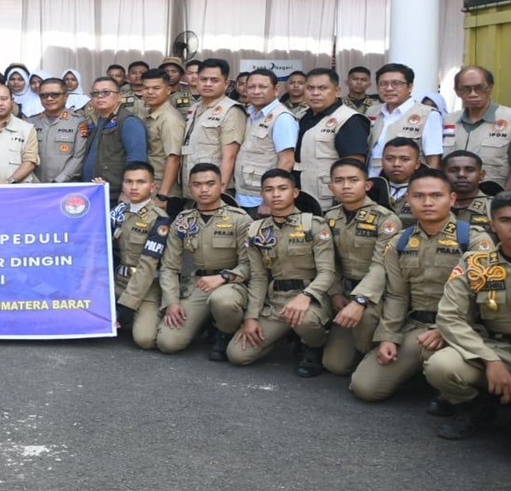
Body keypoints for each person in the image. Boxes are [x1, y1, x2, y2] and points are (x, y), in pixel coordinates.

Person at [343, 170, 491, 405]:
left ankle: (473, 403)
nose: (428, 202)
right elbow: (397, 295)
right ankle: (420, 374)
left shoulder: (472, 240)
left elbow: (483, 296)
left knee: (445, 368)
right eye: (419, 196)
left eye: (436, 195)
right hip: (417, 327)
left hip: (462, 328)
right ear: (408, 200)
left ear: (451, 199)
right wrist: (389, 337)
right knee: (364, 388)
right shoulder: (399, 242)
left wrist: (446, 328)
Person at [425, 190, 511, 462]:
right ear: (492, 225)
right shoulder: (476, 263)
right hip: (498, 350)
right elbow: (450, 317)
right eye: (507, 220)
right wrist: (490, 359)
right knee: (441, 365)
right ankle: (477, 408)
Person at [227, 169, 335, 377]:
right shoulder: (256, 230)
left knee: (305, 321)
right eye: (269, 189)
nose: (275, 194)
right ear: (262, 195)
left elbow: (327, 272)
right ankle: (284, 336)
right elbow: (258, 278)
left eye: (282, 189)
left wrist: (306, 296)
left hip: (310, 299)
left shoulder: (313, 225)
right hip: (277, 301)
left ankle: (313, 345)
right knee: (237, 355)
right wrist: (251, 317)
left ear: (295, 193)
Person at [154, 163, 252, 360]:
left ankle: (224, 332)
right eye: (197, 185)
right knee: (168, 342)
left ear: (222, 184)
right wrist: (172, 303)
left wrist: (224, 276)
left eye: (210, 183)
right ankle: (203, 322)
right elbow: (169, 266)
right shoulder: (183, 220)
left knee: (222, 301)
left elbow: (250, 265)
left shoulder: (240, 219)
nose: (204, 189)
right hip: (197, 286)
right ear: (190, 188)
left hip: (231, 285)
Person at [320, 159, 402, 377]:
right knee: (334, 365)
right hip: (343, 292)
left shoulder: (386, 220)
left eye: (353, 180)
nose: (346, 186)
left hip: (375, 296)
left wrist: (360, 299)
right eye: (339, 181)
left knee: (364, 318)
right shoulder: (329, 217)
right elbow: (330, 262)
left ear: (367, 185)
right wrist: (335, 292)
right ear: (331, 187)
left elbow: (380, 265)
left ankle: (373, 351)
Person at [110, 162, 171, 349]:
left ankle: (133, 315)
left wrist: (127, 306)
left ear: (152, 187)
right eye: (128, 181)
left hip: (143, 287)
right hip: (115, 283)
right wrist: (96, 190)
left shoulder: (159, 219)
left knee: (145, 339)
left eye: (141, 182)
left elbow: (147, 266)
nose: (134, 187)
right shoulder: (118, 212)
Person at [443, 66, 511, 190]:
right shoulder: (448, 120)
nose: (473, 94)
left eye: (479, 88)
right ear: (457, 91)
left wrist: (504, 200)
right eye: (465, 89)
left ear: (490, 87)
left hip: (494, 198)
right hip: (452, 199)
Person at [295, 68, 370, 208]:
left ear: (337, 91)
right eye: (310, 88)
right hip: (301, 196)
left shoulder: (349, 119)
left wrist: (343, 198)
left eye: (323, 88)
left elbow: (353, 165)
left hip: (330, 200)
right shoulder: (302, 116)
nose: (315, 93)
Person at [234, 68, 298, 216]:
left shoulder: (282, 118)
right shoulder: (249, 113)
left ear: (276, 89)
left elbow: (287, 160)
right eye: (251, 87)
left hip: (261, 200)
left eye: (262, 87)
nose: (256, 91)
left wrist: (269, 201)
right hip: (242, 195)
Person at [181, 58, 245, 199]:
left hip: (213, 191)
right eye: (203, 79)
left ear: (226, 83)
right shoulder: (194, 107)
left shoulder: (231, 110)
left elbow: (230, 156)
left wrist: (220, 193)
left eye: (214, 80)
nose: (208, 84)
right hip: (193, 187)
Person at [367, 63, 442, 176]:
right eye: (383, 84)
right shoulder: (371, 112)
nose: (389, 88)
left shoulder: (427, 114)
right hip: (372, 182)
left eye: (396, 83)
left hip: (409, 183)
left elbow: (433, 157)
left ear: (410, 87)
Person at [82, 77, 147, 205]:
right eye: (95, 93)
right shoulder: (97, 120)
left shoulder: (128, 122)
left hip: (116, 194)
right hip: (95, 191)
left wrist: (127, 190)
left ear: (119, 97)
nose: (100, 96)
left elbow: (137, 159)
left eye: (106, 92)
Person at [26, 78, 88, 183]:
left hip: (66, 185)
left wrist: (59, 181)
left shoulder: (79, 122)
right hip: (35, 185)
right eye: (44, 95)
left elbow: (78, 157)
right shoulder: (30, 122)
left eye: (55, 95)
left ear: (66, 97)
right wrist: (35, 182)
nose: (49, 98)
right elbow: (25, 156)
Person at [140, 68, 185, 202]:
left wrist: (163, 195)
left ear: (168, 90)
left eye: (156, 88)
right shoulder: (150, 114)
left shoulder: (169, 119)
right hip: (152, 185)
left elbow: (174, 158)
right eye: (146, 88)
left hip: (165, 191)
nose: (150, 92)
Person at [442, 150, 493, 231]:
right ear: (442, 175)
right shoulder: (430, 206)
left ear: (481, 175)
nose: (461, 174)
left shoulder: (495, 207)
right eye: (453, 170)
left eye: (470, 170)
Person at [380, 137, 424, 227]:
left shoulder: (427, 192)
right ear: (382, 162)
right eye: (389, 159)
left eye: (404, 159)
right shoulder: (370, 191)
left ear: (417, 164)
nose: (396, 164)